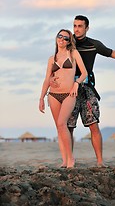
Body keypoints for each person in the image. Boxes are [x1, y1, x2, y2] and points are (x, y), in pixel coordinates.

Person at [67, 15, 115, 167]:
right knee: (68, 126)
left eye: (80, 26)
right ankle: (69, 160)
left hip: (87, 89)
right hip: (69, 89)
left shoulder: (94, 44)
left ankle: (99, 162)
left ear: (87, 28)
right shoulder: (68, 43)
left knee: (93, 125)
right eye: (75, 26)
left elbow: (112, 53)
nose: (76, 29)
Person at [39, 29, 87, 168]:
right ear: (56, 38)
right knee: (59, 128)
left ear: (69, 41)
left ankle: (71, 159)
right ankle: (65, 161)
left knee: (62, 123)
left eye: (65, 38)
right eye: (60, 36)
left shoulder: (73, 53)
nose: (62, 39)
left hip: (69, 94)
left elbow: (84, 73)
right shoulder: (51, 58)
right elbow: (47, 79)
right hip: (53, 95)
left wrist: (76, 84)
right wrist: (41, 98)